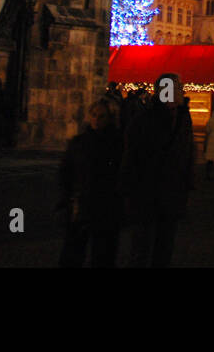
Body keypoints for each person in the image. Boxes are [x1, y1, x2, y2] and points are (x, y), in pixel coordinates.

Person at [120, 74, 194, 267]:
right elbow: (131, 156)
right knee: (142, 249)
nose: (180, 90)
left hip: (171, 194)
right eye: (175, 87)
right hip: (146, 193)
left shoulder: (184, 118)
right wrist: (128, 190)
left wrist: (187, 186)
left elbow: (188, 153)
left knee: (164, 248)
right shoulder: (145, 118)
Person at [58, 99, 124, 267]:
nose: (96, 120)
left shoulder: (117, 143)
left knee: (103, 254)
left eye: (101, 116)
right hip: (81, 204)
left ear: (110, 118)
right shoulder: (79, 142)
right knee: (73, 252)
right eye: (93, 115)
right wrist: (67, 198)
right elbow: (66, 171)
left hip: (106, 207)